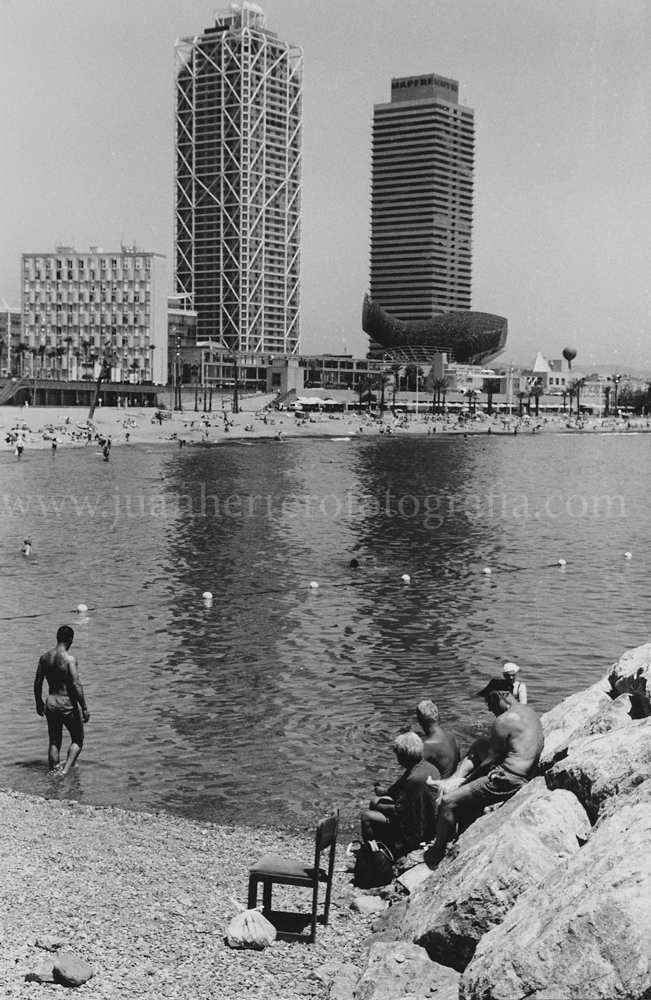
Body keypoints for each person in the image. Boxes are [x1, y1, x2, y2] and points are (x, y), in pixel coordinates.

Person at [424, 678, 544, 866]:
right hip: (525, 772)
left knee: (448, 801)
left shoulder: (503, 721)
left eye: (489, 702)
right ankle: (452, 781)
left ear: (498, 696)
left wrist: (466, 783)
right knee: (480, 744)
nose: (488, 708)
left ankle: (436, 853)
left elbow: (490, 764)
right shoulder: (528, 712)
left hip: (509, 779)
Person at [361, 732, 440, 858]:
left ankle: (372, 857)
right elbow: (400, 786)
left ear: (403, 756)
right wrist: (385, 792)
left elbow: (399, 810)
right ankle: (381, 843)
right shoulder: (426, 766)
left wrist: (378, 805)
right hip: (428, 820)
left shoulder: (414, 779)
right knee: (376, 801)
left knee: (367, 816)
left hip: (417, 830)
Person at [34, 625, 90, 776]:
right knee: (78, 739)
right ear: (70, 639)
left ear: (57, 637)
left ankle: (54, 771)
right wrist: (84, 707)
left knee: (54, 741)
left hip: (51, 701)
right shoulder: (69, 659)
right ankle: (64, 771)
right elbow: (75, 684)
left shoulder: (44, 658)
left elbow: (38, 682)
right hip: (66, 701)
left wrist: (38, 702)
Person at [416, 700, 461, 779]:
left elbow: (412, 772)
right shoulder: (452, 735)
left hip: (441, 787)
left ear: (420, 721)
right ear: (439, 717)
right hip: (455, 782)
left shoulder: (428, 746)